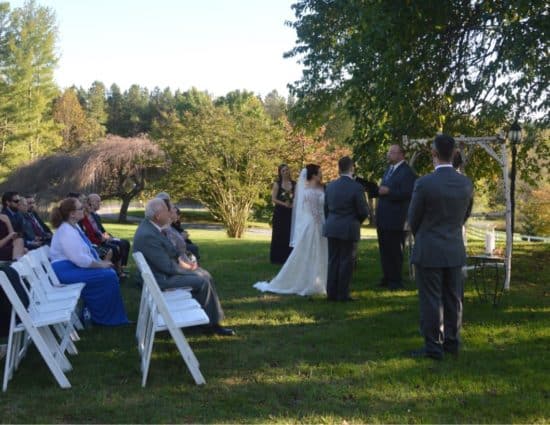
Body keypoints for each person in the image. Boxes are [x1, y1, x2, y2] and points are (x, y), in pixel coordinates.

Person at [407, 134, 473, 360]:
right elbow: (465, 215)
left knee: (431, 300)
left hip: (429, 248)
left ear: (434, 154)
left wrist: (424, 235)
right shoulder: (466, 183)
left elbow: (413, 218)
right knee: (454, 298)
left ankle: (433, 347)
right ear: (454, 153)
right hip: (454, 247)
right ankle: (452, 342)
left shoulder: (423, 183)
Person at [133, 198, 234, 336]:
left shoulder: (151, 227)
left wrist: (184, 262)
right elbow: (167, 267)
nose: (170, 213)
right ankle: (211, 325)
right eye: (167, 211)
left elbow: (170, 252)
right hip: (161, 279)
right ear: (158, 216)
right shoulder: (148, 235)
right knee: (202, 280)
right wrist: (187, 269)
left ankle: (209, 321)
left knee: (204, 275)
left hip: (161, 274)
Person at [49, 197, 129, 326]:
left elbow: (83, 254)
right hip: (65, 271)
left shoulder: (73, 227)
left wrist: (99, 263)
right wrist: (100, 265)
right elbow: (79, 259)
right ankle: (105, 319)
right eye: (80, 208)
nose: (84, 209)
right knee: (108, 275)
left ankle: (101, 315)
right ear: (72, 214)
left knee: (108, 273)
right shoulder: (66, 231)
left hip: (72, 267)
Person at [254, 164, 327, 296]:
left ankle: (318, 278)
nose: (321, 174)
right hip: (314, 225)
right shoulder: (309, 191)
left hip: (317, 223)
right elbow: (315, 213)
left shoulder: (318, 188)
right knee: (310, 251)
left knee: (316, 252)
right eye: (320, 172)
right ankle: (306, 280)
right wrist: (323, 225)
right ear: (314, 175)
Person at [323, 156, 370, 301]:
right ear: (352, 168)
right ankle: (342, 294)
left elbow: (326, 208)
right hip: (349, 226)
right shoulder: (357, 187)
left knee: (333, 260)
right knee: (346, 261)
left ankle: (331, 293)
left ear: (339, 168)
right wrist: (357, 221)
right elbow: (363, 211)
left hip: (332, 226)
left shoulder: (330, 186)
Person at [372, 144, 417, 290]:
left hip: (397, 217)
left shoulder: (407, 172)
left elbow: (408, 193)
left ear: (401, 155)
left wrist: (389, 191)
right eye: (388, 152)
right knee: (385, 248)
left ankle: (396, 280)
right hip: (384, 217)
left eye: (392, 152)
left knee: (395, 250)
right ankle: (387, 276)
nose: (388, 155)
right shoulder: (389, 170)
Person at [87, 194, 130, 274]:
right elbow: (94, 233)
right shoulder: (89, 217)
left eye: (100, 201)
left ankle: (121, 267)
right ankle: (118, 270)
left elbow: (102, 231)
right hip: (98, 240)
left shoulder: (96, 216)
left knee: (125, 242)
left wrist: (110, 236)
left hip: (104, 237)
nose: (100, 203)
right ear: (91, 202)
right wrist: (106, 237)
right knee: (118, 246)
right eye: (98, 201)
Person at [269, 164, 295, 264]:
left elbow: (296, 197)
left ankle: (288, 258)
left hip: (290, 212)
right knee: (279, 234)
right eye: (283, 170)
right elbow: (273, 199)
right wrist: (284, 204)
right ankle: (277, 258)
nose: (285, 172)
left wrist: (292, 204)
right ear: (280, 172)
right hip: (280, 212)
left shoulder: (294, 184)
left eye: (287, 170)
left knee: (289, 234)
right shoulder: (277, 184)